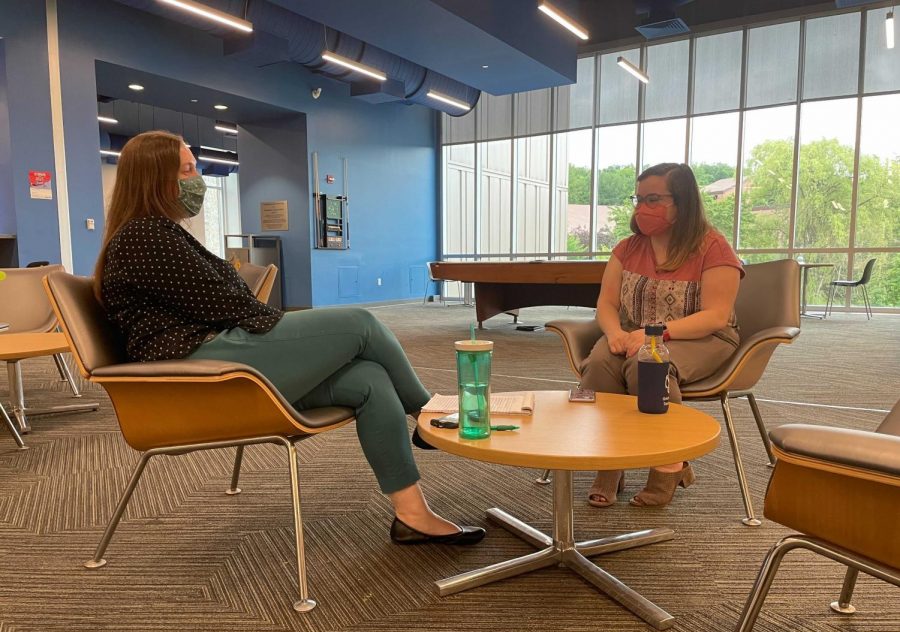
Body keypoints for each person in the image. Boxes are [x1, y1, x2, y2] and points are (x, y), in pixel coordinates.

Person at [94, 130, 484, 546]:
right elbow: (226, 304)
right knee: (361, 324)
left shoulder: (161, 233)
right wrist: (284, 327)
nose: (198, 178)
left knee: (370, 378)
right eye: (187, 169)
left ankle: (412, 515)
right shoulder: (143, 236)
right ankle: (427, 417)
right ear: (155, 178)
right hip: (204, 370)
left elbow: (227, 300)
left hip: (220, 357)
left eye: (195, 168)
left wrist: (270, 319)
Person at [581, 162, 743, 508]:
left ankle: (669, 463)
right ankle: (611, 464)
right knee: (597, 366)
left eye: (653, 199)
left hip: (701, 337)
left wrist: (654, 335)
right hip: (633, 333)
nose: (642, 208)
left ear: (682, 201)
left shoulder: (713, 247)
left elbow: (715, 316)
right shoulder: (626, 249)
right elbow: (606, 303)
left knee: (649, 366)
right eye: (638, 199)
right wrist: (613, 334)